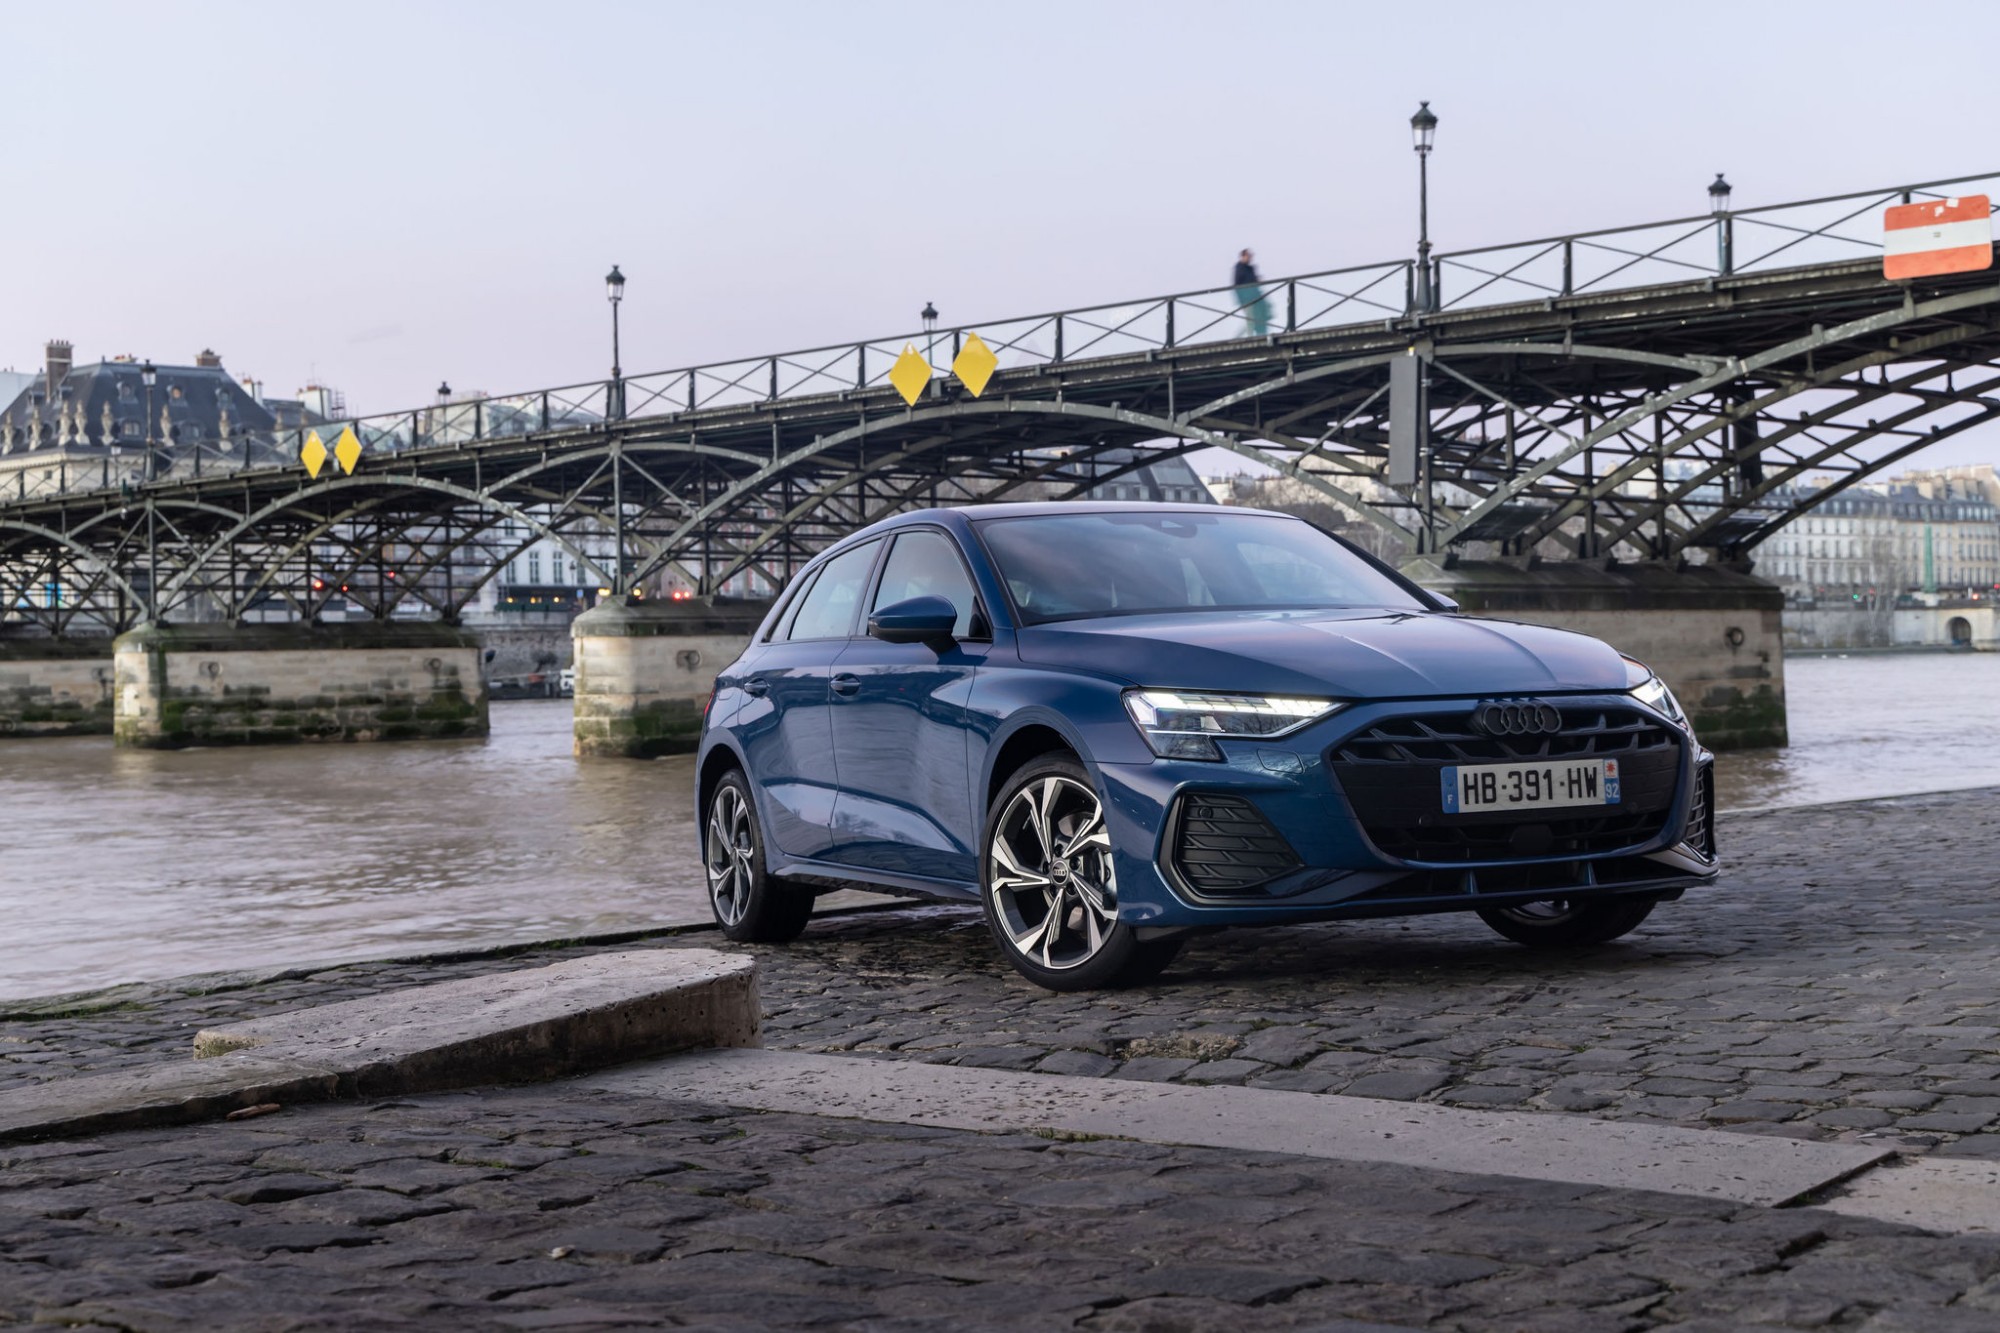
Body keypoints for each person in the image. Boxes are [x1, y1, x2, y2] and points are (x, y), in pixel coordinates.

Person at [1233, 249, 1272, 337]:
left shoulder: (1250, 268)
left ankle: (1239, 338)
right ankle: (1248, 337)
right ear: (1243, 256)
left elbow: (1252, 281)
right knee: (1250, 318)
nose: (1250, 258)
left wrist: (1257, 280)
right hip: (1247, 299)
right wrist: (1241, 299)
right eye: (1248, 256)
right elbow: (1237, 285)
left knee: (1254, 319)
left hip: (1255, 298)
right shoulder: (1239, 268)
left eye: (1250, 256)